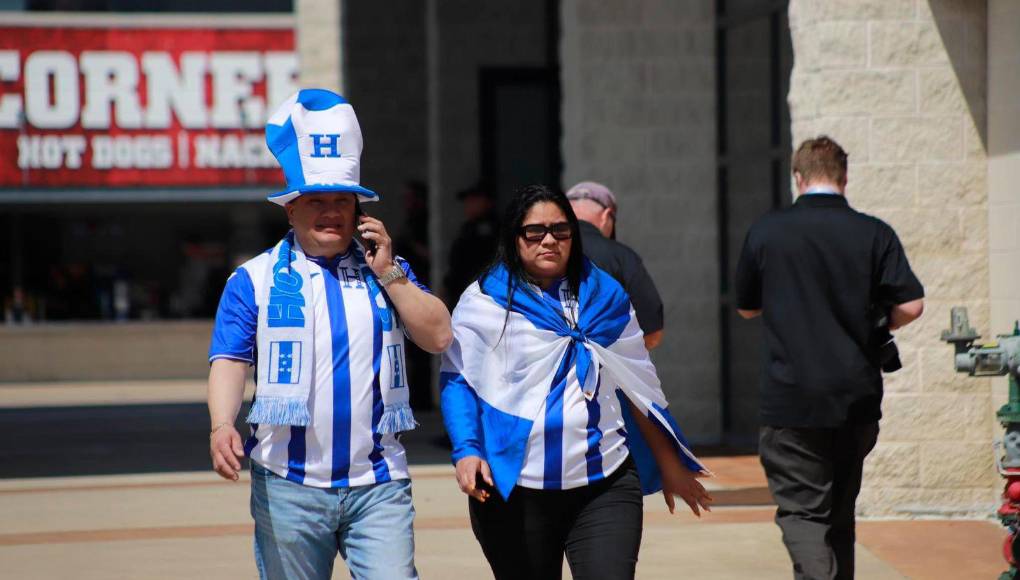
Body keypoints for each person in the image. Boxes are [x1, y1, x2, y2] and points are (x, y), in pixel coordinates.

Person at [206, 89, 452, 580]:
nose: (332, 211)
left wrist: (391, 275)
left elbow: (440, 336)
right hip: (287, 485)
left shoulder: (388, 272)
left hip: (378, 482)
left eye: (343, 200)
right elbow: (231, 360)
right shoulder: (252, 280)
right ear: (289, 210)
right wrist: (221, 424)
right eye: (316, 200)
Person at [440, 185, 713, 580]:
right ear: (514, 237)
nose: (549, 239)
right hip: (515, 489)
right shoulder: (484, 301)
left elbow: (636, 385)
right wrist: (467, 450)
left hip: (605, 485)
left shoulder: (605, 295)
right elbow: (459, 380)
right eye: (534, 231)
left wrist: (669, 463)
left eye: (561, 230)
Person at [734, 136, 924, 580]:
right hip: (855, 398)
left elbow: (746, 306)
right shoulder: (873, 231)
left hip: (791, 399)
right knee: (839, 516)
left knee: (802, 515)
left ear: (797, 178)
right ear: (844, 177)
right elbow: (912, 304)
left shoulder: (768, 231)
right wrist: (874, 324)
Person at [566, 181, 665, 350]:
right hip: (607, 370)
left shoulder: (543, 253)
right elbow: (652, 331)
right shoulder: (622, 257)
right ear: (607, 215)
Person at [442, 182, 499, 304]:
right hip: (460, 292)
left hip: (480, 292)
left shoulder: (492, 228)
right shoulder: (468, 227)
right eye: (467, 201)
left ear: (486, 202)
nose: (468, 205)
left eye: (474, 200)